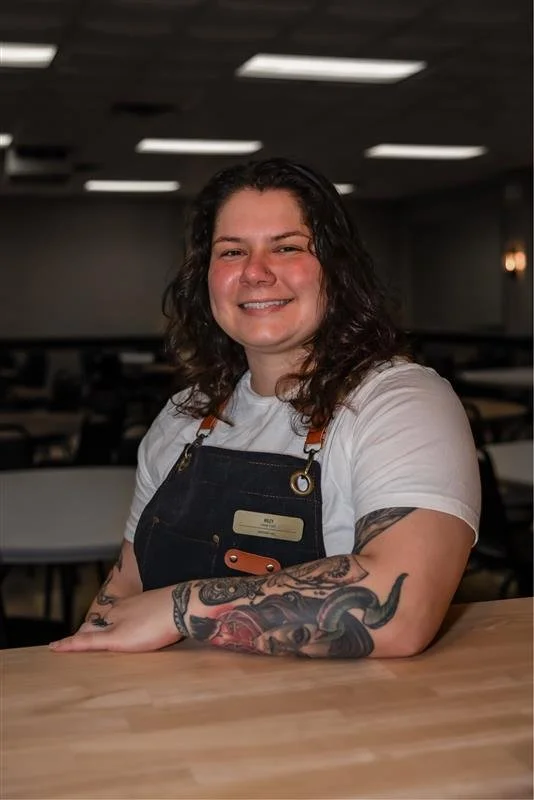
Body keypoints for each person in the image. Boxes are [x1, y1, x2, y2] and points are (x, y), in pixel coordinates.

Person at [51, 158, 480, 659]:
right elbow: (124, 589)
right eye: (232, 251)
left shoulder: (401, 404)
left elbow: (399, 610)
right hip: (164, 703)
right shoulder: (183, 417)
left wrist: (177, 608)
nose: (255, 272)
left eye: (287, 247)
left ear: (338, 270)